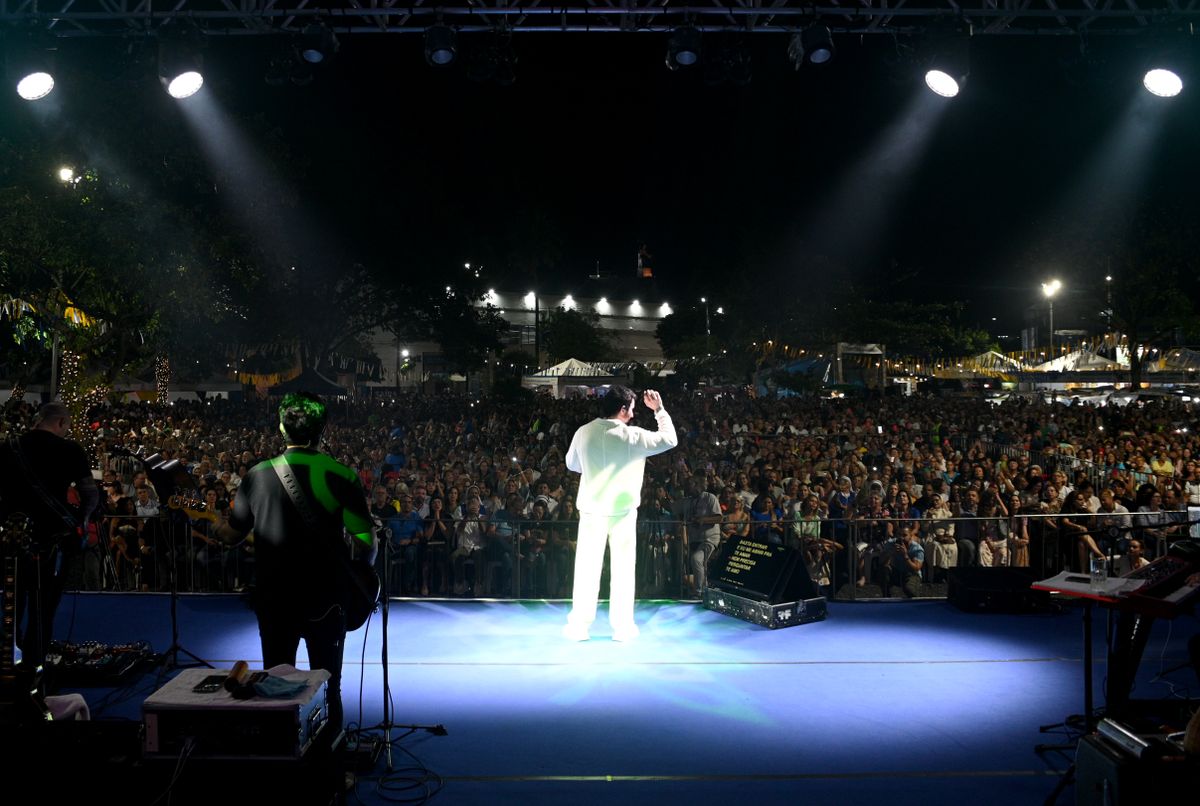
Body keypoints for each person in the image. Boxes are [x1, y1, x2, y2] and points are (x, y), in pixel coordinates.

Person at [218, 392, 377, 733]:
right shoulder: (340, 475)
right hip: (326, 598)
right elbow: (366, 540)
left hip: (275, 599)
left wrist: (210, 523)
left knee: (274, 680)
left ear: (280, 428)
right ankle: (330, 767)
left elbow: (231, 535)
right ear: (323, 431)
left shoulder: (256, 476)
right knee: (328, 682)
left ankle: (283, 763)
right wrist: (363, 575)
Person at [562, 387, 677, 642]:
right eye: (633, 408)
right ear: (623, 409)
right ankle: (623, 628)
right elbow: (670, 439)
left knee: (586, 570)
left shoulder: (584, 432)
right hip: (623, 513)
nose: (634, 413)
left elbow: (572, 464)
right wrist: (658, 410)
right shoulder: (633, 437)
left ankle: (579, 626)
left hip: (592, 511)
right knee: (624, 570)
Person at [0, 403, 100, 672]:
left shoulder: (8, 447)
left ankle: (8, 663)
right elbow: (90, 494)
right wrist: (82, 520)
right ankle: (34, 670)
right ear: (60, 423)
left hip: (11, 539)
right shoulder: (69, 450)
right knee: (42, 609)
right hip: (52, 541)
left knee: (10, 605)